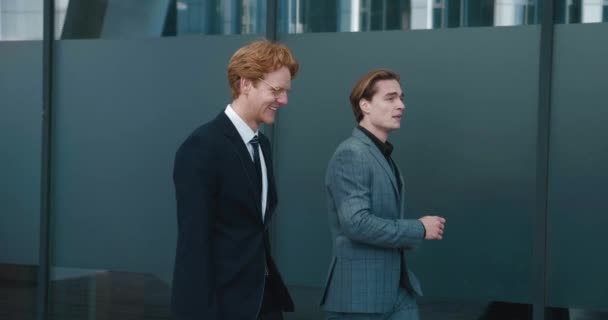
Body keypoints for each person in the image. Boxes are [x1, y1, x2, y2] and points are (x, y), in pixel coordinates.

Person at [171, 39, 299, 320]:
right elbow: (193, 246)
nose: (284, 100)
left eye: (286, 92)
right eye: (276, 90)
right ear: (245, 84)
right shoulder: (202, 148)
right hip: (223, 305)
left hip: (262, 300)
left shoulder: (261, 146)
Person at [320, 69, 446, 320]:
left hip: (394, 293)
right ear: (364, 105)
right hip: (360, 299)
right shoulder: (352, 154)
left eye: (401, 97)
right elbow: (356, 224)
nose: (401, 105)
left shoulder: (381, 156)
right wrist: (418, 229)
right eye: (390, 98)